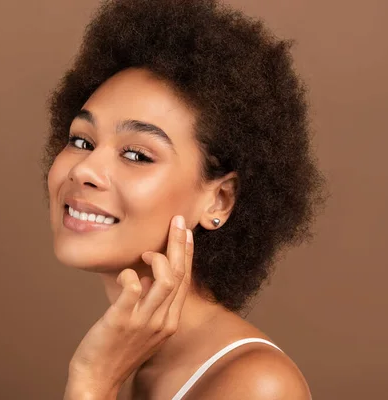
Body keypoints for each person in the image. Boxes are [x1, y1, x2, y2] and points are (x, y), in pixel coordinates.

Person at [41, 0, 326, 398]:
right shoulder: (132, 358)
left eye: (136, 155)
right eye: (82, 141)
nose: (83, 170)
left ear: (219, 200)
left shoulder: (256, 386)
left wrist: (92, 383)